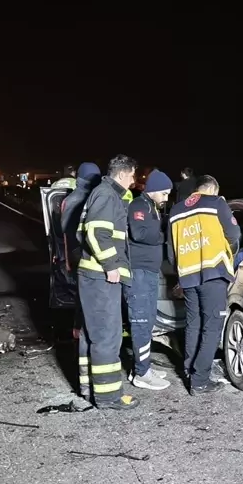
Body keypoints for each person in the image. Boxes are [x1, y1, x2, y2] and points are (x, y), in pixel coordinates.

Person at [76, 155, 140, 410]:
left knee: (92, 334)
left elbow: (83, 232)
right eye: (133, 176)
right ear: (124, 174)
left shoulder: (102, 193)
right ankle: (108, 396)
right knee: (107, 336)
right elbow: (94, 232)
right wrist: (111, 265)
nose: (134, 181)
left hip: (93, 276)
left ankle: (88, 388)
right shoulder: (107, 195)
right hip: (101, 277)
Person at [168, 175, 240, 395]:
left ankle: (189, 371)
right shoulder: (217, 203)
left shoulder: (176, 211)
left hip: (188, 276)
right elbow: (235, 234)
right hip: (213, 273)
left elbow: (171, 253)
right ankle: (200, 380)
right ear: (213, 189)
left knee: (193, 324)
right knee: (211, 328)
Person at [125, 169, 173, 391]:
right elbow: (140, 234)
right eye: (163, 193)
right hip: (140, 273)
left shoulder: (152, 206)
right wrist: (165, 236)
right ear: (152, 191)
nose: (166, 198)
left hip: (149, 273)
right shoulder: (138, 206)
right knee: (141, 323)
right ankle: (141, 374)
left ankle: (143, 366)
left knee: (148, 321)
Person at [60, 162, 101, 386]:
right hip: (86, 259)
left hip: (74, 258)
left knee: (80, 305)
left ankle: (79, 342)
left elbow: (63, 232)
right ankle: (84, 348)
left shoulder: (71, 198)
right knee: (87, 308)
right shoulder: (88, 198)